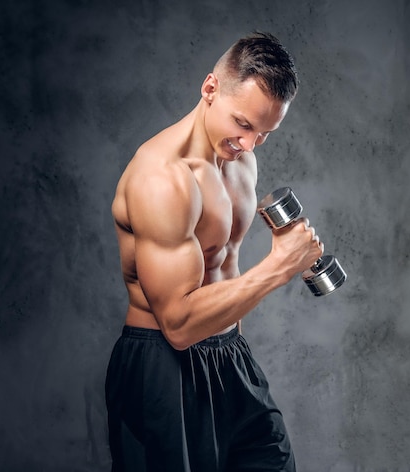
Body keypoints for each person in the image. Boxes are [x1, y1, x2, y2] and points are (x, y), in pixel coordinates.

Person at [105, 32, 322, 471]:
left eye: (264, 133)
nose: (249, 144)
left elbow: (225, 271)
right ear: (210, 89)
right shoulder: (163, 178)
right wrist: (279, 267)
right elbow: (179, 325)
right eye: (243, 124)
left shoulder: (242, 160)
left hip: (228, 356)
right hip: (161, 365)